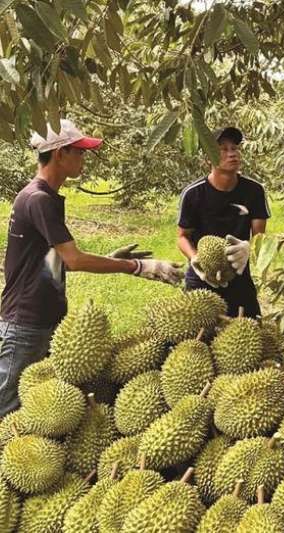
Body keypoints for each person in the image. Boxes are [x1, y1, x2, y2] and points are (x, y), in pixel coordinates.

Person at [0, 119, 185, 417]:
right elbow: (72, 258)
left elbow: (49, 261)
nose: (84, 159)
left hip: (42, 318)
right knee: (7, 409)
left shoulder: (42, 197)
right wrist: (136, 266)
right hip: (26, 322)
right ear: (60, 153)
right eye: (80, 152)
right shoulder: (39, 199)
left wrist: (109, 256)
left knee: (39, 409)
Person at [177, 126, 270, 318]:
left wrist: (248, 248)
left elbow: (260, 238)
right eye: (223, 149)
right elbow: (182, 237)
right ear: (207, 158)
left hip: (238, 272)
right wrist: (194, 258)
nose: (232, 154)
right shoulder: (193, 194)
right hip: (202, 278)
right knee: (196, 339)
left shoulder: (254, 191)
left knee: (252, 332)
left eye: (234, 148)